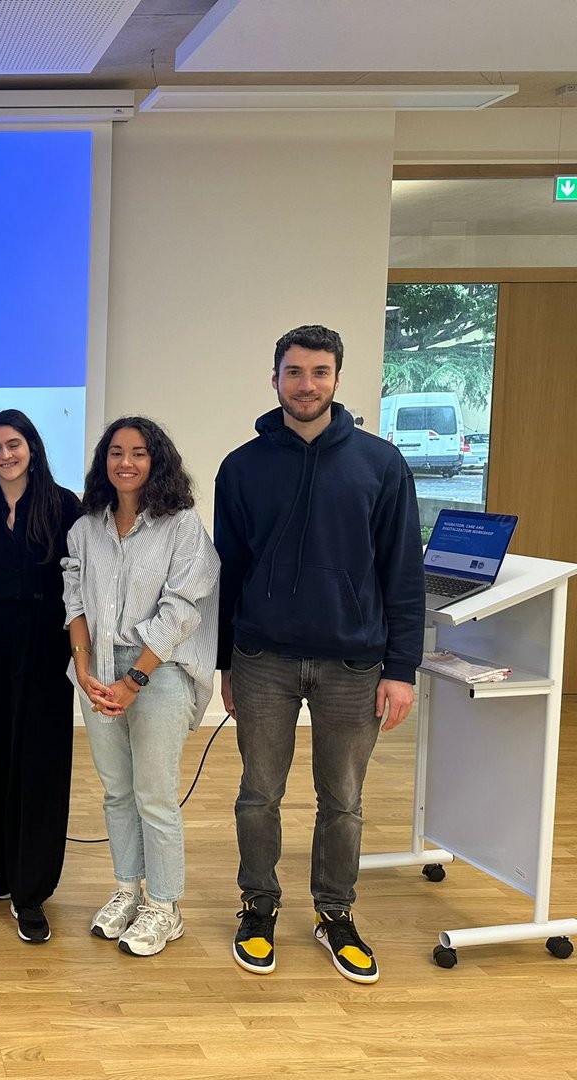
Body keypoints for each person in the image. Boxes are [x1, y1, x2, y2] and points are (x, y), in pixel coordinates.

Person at [216, 324, 423, 984]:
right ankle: (259, 906)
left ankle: (336, 913)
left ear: (338, 379)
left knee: (343, 801)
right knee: (259, 795)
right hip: (263, 661)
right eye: (295, 371)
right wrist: (225, 662)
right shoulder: (241, 467)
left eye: (320, 372)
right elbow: (231, 572)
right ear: (273, 378)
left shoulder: (380, 464)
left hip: (353, 663)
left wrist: (401, 669)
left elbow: (401, 574)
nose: (307, 384)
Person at [63, 417, 219, 957]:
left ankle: (166, 905)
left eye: (138, 452)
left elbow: (181, 610)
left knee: (154, 795)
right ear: (103, 461)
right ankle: (129, 889)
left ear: (158, 461)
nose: (125, 462)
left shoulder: (181, 526)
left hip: (159, 670)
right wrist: (84, 668)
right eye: (115, 452)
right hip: (97, 670)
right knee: (116, 791)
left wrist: (133, 679)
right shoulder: (86, 528)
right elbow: (75, 602)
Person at [0, 409, 83, 943]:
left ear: (32, 446)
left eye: (13, 444)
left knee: (38, 764)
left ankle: (32, 891)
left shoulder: (65, 506)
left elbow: (81, 588)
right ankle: (6, 862)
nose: (4, 455)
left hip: (45, 652)